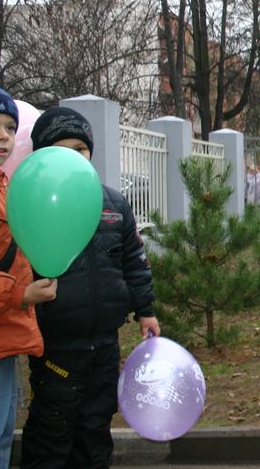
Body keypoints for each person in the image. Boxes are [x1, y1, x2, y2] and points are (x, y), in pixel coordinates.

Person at [20, 106, 160, 468]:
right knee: (53, 427)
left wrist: (145, 310)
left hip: (105, 342)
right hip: (58, 346)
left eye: (80, 150)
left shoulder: (112, 203)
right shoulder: (35, 203)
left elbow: (134, 260)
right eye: (62, 149)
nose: (74, 157)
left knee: (96, 423)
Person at [0, 84, 57, 468]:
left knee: (1, 434)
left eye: (9, 126)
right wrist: (20, 294)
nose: (3, 135)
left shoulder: (0, 184)